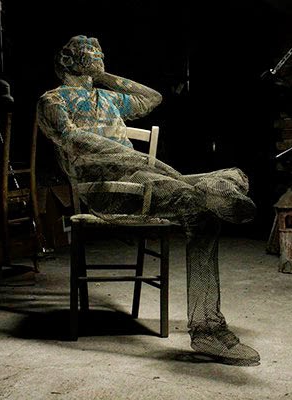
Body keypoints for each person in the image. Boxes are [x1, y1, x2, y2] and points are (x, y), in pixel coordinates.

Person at [37, 35, 260, 365]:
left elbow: (152, 97)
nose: (97, 52)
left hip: (141, 180)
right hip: (104, 188)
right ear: (67, 60)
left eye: (99, 50)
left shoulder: (107, 97)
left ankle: (214, 191)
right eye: (88, 50)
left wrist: (103, 77)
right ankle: (207, 328)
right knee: (201, 204)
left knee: (226, 185)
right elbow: (72, 138)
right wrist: (140, 159)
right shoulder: (52, 100)